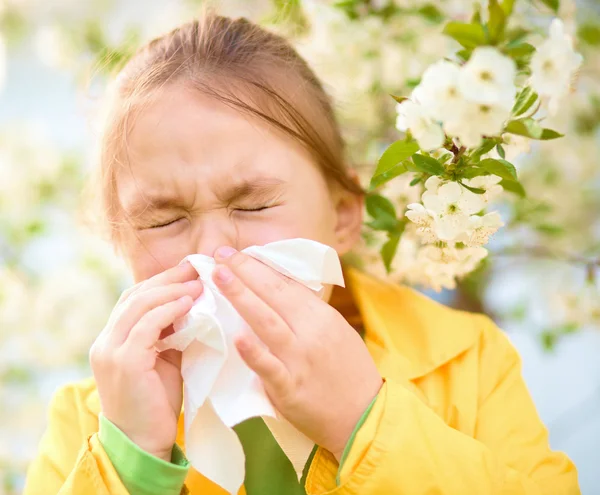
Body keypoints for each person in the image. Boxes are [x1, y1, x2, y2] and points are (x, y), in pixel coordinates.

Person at [24, 11, 579, 495]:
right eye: (164, 219)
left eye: (253, 205)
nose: (213, 251)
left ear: (342, 215)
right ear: (122, 243)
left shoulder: (466, 363)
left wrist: (363, 422)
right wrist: (133, 462)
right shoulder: (92, 422)